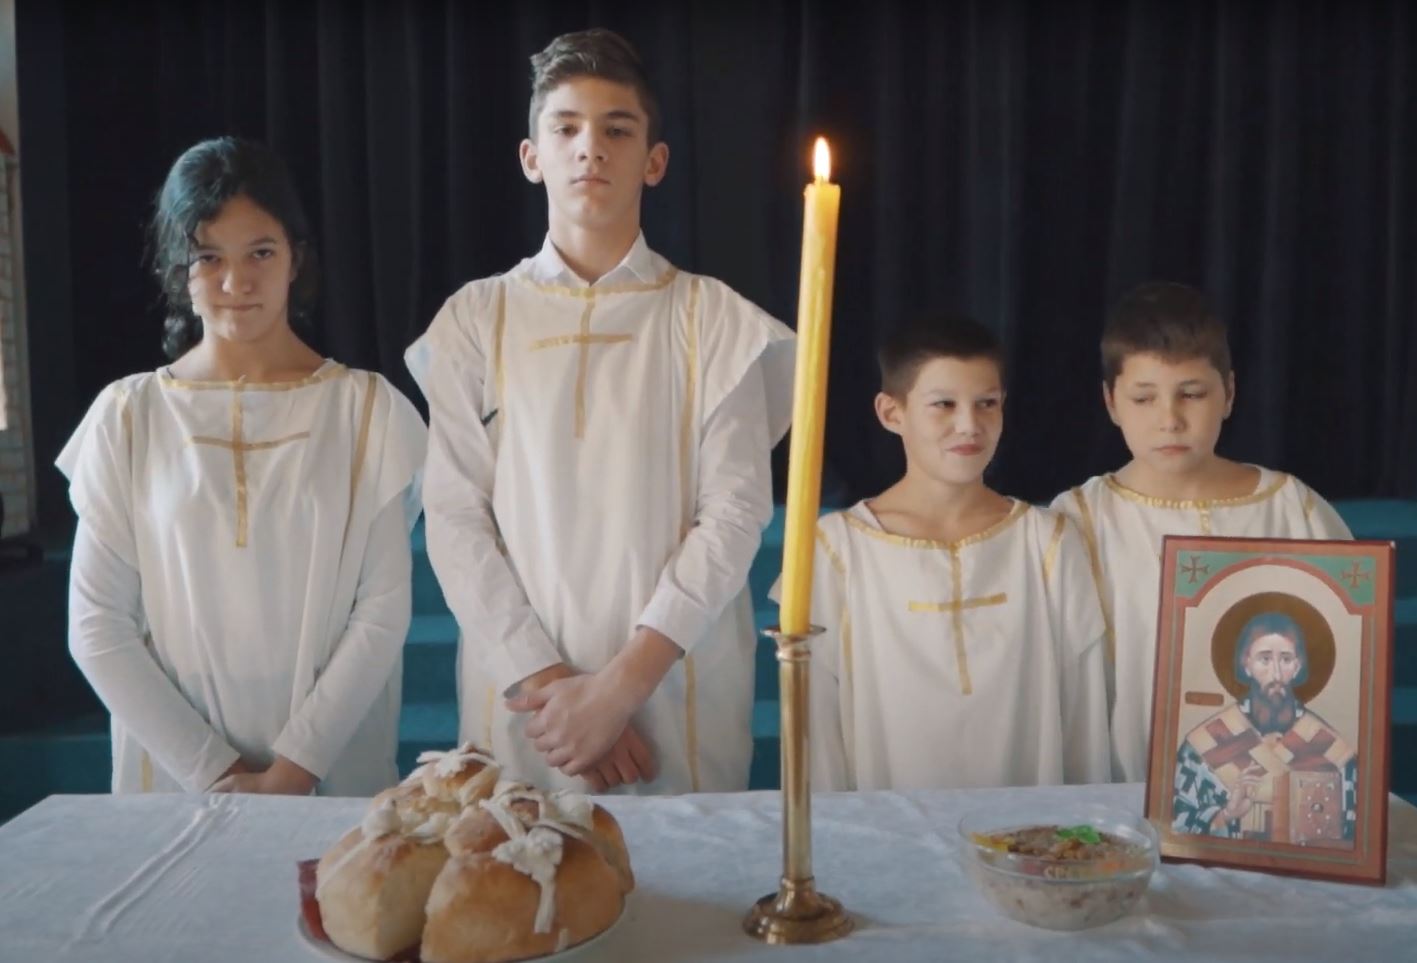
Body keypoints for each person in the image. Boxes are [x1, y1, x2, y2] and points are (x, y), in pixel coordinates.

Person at [405, 29, 794, 794]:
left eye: (617, 130)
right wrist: (550, 682)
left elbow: (734, 512)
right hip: (528, 706)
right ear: (531, 156)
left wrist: (620, 688)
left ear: (654, 161)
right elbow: (453, 516)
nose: (590, 148)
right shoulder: (473, 319)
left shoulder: (715, 319)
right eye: (566, 128)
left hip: (671, 694)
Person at [58, 137, 427, 796]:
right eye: (209, 257)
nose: (236, 283)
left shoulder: (365, 411)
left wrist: (293, 770)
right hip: (179, 783)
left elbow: (380, 611)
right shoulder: (128, 418)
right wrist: (216, 772)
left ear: (295, 258)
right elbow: (97, 626)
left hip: (329, 776)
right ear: (179, 269)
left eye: (260, 252)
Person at [781, 317, 1109, 790]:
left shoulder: (1045, 542)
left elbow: (1082, 711)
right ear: (891, 413)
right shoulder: (839, 551)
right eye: (943, 405)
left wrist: (1083, 814)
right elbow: (817, 723)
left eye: (986, 403)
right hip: (886, 819)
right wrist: (834, 824)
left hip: (1027, 822)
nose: (969, 425)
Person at [1052, 282, 1352, 782]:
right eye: (1144, 398)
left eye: (1191, 394)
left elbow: (1345, 661)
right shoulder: (1082, 520)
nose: (1169, 420)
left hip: (1276, 785)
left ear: (1228, 393)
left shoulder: (1291, 510)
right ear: (1111, 402)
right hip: (1125, 789)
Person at [1173, 612, 1356, 844]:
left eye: (1286, 660)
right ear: (1246, 664)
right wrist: (1226, 814)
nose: (1276, 674)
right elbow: (1176, 829)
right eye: (1265, 659)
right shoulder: (1203, 745)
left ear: (1298, 667)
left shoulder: (1333, 751)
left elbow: (1353, 836)